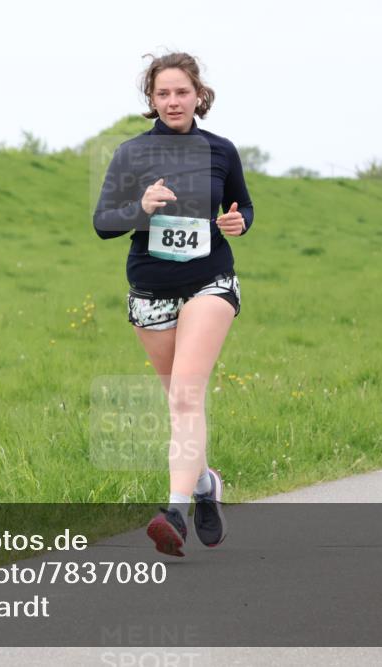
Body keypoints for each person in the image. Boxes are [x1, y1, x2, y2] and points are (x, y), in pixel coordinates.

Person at [92, 52, 254, 557]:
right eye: (163, 93)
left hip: (210, 282)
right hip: (150, 289)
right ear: (151, 100)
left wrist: (238, 223)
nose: (173, 101)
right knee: (180, 405)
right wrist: (139, 208)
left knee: (186, 396)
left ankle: (175, 511)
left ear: (198, 94)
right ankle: (205, 483)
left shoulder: (220, 151)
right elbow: (103, 222)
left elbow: (242, 205)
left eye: (181, 91)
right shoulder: (131, 155)